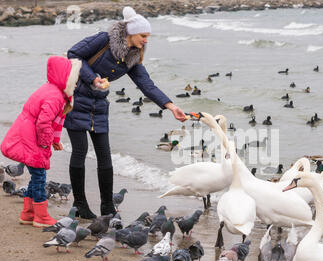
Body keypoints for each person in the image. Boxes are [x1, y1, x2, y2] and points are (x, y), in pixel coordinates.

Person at [65, 7, 186, 219]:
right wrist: (93, 78)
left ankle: (107, 207)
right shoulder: (104, 39)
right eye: (143, 36)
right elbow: (73, 54)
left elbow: (146, 84)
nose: (146, 40)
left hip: (99, 106)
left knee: (105, 156)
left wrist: (171, 106)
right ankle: (80, 205)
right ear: (130, 32)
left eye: (148, 36)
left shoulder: (132, 57)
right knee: (80, 151)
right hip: (77, 100)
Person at [0, 56, 81, 227]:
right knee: (39, 177)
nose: (76, 84)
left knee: (36, 176)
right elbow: (44, 123)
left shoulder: (51, 90)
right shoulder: (55, 96)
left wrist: (53, 140)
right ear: (65, 78)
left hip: (29, 133)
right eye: (75, 80)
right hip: (32, 138)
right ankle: (41, 216)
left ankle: (28, 213)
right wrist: (45, 143)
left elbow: (52, 121)